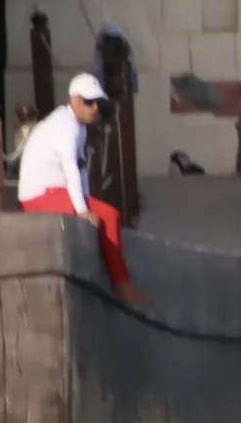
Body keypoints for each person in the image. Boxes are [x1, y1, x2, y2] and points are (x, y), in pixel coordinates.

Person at [16, 73, 150, 307]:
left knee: (104, 214)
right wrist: (81, 210)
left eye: (98, 103)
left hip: (53, 192)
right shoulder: (65, 125)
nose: (95, 108)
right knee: (109, 216)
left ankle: (118, 280)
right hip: (38, 196)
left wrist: (87, 204)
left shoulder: (79, 127)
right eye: (89, 102)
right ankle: (120, 284)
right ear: (75, 100)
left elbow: (81, 169)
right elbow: (70, 167)